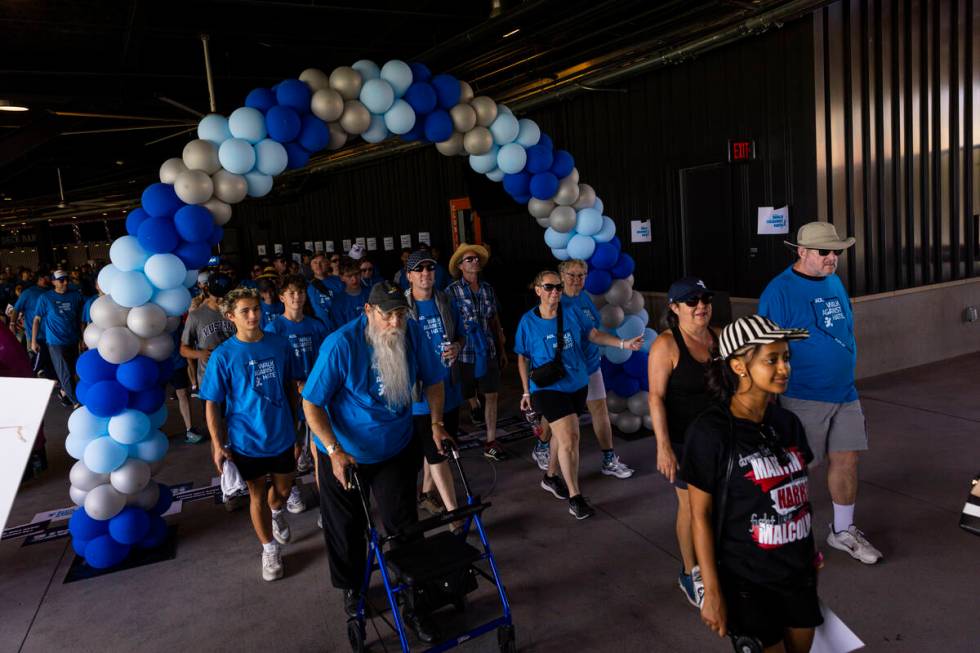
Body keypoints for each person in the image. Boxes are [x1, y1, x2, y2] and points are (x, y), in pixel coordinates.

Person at [302, 281, 448, 643]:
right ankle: (353, 590)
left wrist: (436, 423)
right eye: (388, 315)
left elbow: (434, 380)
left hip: (394, 446)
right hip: (344, 451)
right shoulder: (341, 344)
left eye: (401, 314)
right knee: (347, 526)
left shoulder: (410, 334)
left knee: (404, 525)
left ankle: (414, 599)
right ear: (368, 312)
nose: (395, 322)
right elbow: (311, 404)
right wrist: (334, 451)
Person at [684, 315, 821, 652]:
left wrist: (809, 550)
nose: (784, 368)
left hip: (798, 573)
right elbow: (699, 516)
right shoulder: (710, 432)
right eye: (771, 360)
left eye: (786, 358)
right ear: (739, 366)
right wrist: (712, 591)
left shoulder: (787, 422)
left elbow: (798, 494)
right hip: (747, 581)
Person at [758, 222, 883, 565]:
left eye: (837, 252)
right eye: (825, 251)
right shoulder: (779, 291)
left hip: (845, 392)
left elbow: (845, 326)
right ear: (801, 252)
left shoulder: (834, 281)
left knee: (847, 459)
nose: (832, 258)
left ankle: (842, 530)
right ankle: (787, 536)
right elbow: (766, 346)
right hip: (803, 395)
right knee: (798, 469)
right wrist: (767, 398)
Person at [515, 270, 643, 520]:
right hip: (548, 388)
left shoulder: (571, 312)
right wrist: (525, 391)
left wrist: (623, 344)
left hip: (577, 383)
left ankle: (550, 477)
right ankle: (575, 497)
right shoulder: (527, 322)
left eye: (558, 287)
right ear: (538, 290)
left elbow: (593, 335)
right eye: (549, 287)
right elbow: (522, 357)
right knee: (571, 437)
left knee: (561, 437)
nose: (555, 292)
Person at [200, 287, 300, 581]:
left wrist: (296, 430)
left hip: (281, 435)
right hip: (246, 440)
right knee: (256, 494)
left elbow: (289, 389)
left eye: (256, 309)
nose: (253, 315)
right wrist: (218, 445)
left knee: (281, 492)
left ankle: (277, 511)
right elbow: (212, 404)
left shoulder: (280, 345)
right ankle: (268, 548)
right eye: (245, 311)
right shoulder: (223, 356)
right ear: (231, 316)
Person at [647, 275, 719, 607]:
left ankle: (713, 561)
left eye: (705, 299)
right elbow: (656, 398)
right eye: (692, 301)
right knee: (692, 508)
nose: (701, 306)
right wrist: (663, 447)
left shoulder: (718, 338)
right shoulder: (667, 344)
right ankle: (691, 573)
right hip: (683, 441)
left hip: (718, 439)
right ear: (675, 308)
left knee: (717, 504)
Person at [532, 260, 635, 480]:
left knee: (600, 411)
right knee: (555, 417)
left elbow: (594, 333)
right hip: (566, 371)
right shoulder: (557, 302)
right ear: (561, 276)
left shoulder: (584, 298)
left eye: (582, 275)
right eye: (572, 275)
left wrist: (623, 343)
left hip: (590, 364)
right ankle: (541, 446)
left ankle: (609, 459)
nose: (577, 280)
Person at [403, 250, 464, 527]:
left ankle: (427, 493)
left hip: (449, 388)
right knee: (437, 451)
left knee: (439, 448)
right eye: (419, 270)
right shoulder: (401, 308)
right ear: (409, 276)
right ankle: (454, 514)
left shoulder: (445, 300)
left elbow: (460, 335)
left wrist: (457, 347)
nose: (426, 274)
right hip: (420, 396)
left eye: (430, 269)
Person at [264, 274, 330, 513]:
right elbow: (272, 364)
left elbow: (326, 360)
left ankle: (327, 503)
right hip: (289, 398)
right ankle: (291, 489)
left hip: (316, 395)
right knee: (293, 450)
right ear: (282, 297)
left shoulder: (316, 325)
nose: (296, 297)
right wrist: (294, 384)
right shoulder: (274, 328)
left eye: (300, 292)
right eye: (291, 293)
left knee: (320, 448)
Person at [446, 243, 508, 461]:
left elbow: (494, 320)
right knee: (463, 393)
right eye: (469, 259)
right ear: (461, 266)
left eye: (476, 259)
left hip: (487, 349)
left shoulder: (487, 289)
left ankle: (490, 441)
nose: (474, 262)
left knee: (492, 394)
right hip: (464, 353)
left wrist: (501, 348)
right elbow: (448, 323)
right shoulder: (451, 291)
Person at [180, 274, 236, 432]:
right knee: (215, 426)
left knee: (237, 421)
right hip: (209, 378)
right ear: (207, 292)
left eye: (223, 295)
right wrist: (200, 354)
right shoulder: (196, 315)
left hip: (234, 375)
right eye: (216, 296)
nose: (220, 300)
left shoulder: (234, 311)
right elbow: (183, 349)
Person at [32, 270, 83, 408]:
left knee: (72, 372)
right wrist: (33, 341)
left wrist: (82, 337)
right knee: (65, 373)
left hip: (72, 340)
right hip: (55, 342)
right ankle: (76, 403)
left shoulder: (75, 296)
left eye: (66, 279)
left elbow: (79, 319)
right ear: (53, 282)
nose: (65, 282)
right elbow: (37, 320)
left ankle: (63, 392)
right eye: (61, 280)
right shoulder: (46, 298)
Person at [329, 256, 371, 327]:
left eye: (356, 274)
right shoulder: (338, 302)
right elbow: (341, 330)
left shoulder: (371, 294)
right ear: (341, 277)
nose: (354, 279)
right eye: (349, 276)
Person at [307, 253, 338, 330]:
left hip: (339, 325)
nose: (318, 265)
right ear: (311, 266)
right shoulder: (306, 285)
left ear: (328, 263)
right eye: (315, 262)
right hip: (318, 329)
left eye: (322, 262)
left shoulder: (338, 281)